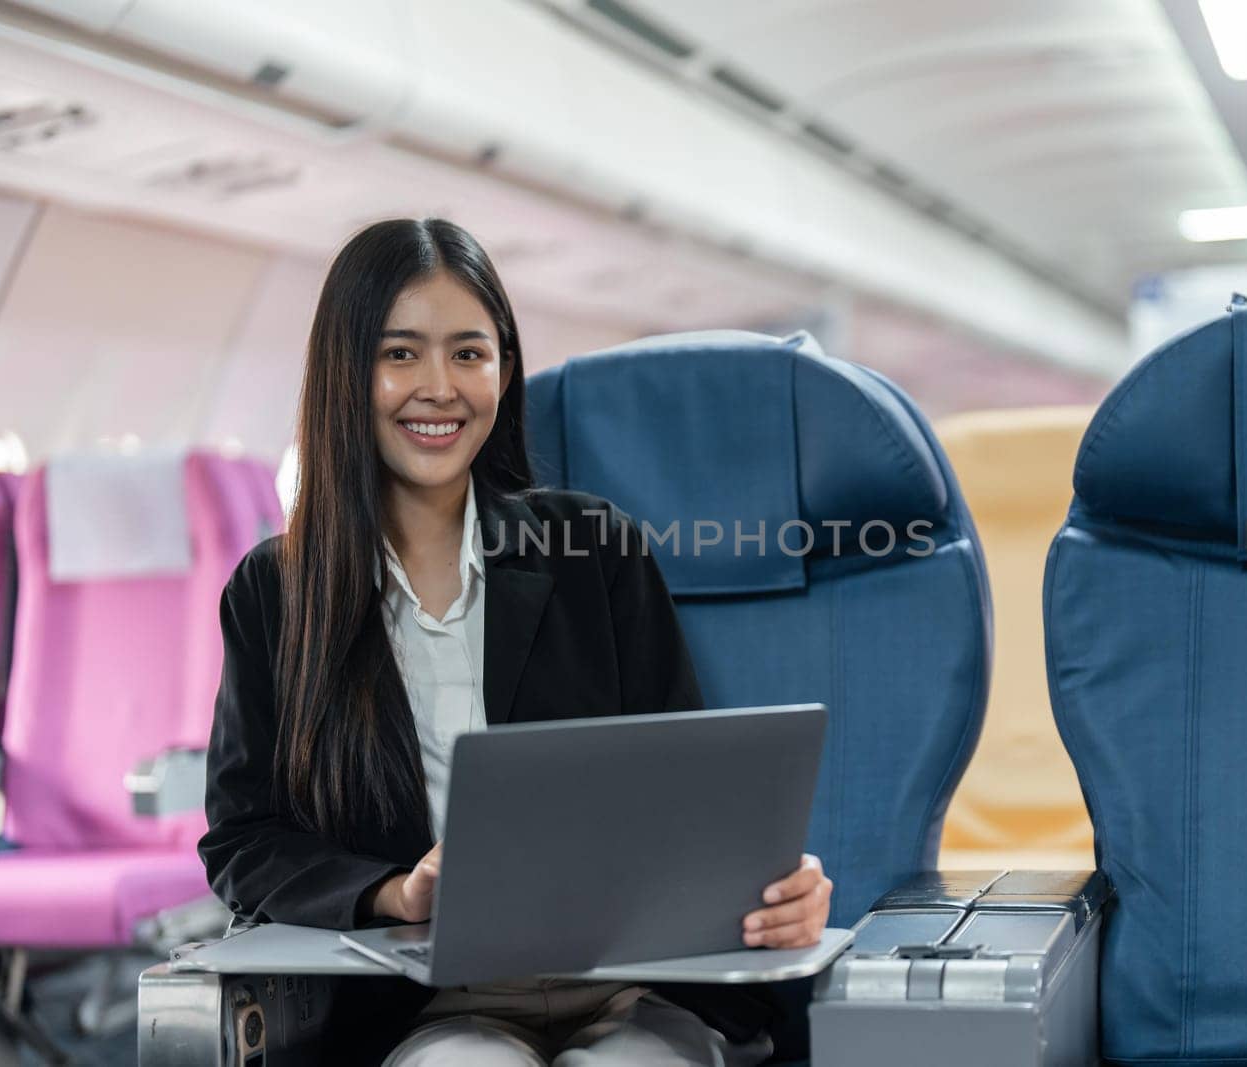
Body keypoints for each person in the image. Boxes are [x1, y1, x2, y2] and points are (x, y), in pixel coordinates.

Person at [199, 218, 834, 1065]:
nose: (439, 387)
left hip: (632, 987)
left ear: (504, 367)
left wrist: (779, 888)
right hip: (421, 1003)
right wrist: (395, 892)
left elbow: (688, 794)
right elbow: (244, 840)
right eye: (399, 354)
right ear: (344, 373)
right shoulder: (278, 591)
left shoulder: (596, 549)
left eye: (469, 353)